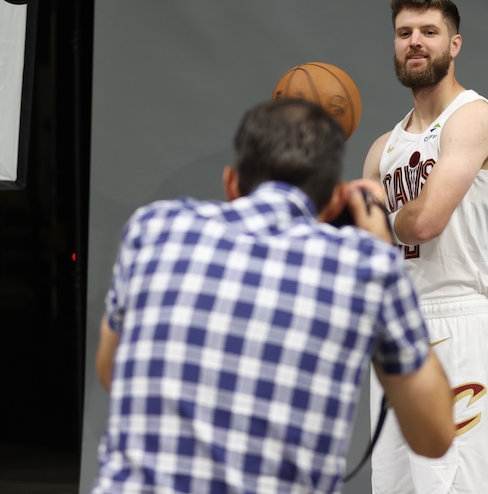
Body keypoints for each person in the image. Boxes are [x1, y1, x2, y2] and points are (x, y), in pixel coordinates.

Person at [91, 97, 453, 493]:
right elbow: (434, 436)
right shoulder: (367, 266)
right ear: (334, 202)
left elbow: (112, 369)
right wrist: (384, 255)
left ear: (231, 183)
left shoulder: (152, 230)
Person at [362, 0, 488, 494]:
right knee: (392, 486)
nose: (415, 42)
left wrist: (378, 215)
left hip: (457, 321)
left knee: (452, 487)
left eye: (429, 31)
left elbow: (426, 222)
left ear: (455, 44)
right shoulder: (384, 146)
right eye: (404, 33)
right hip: (396, 327)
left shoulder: (473, 117)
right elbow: (368, 255)